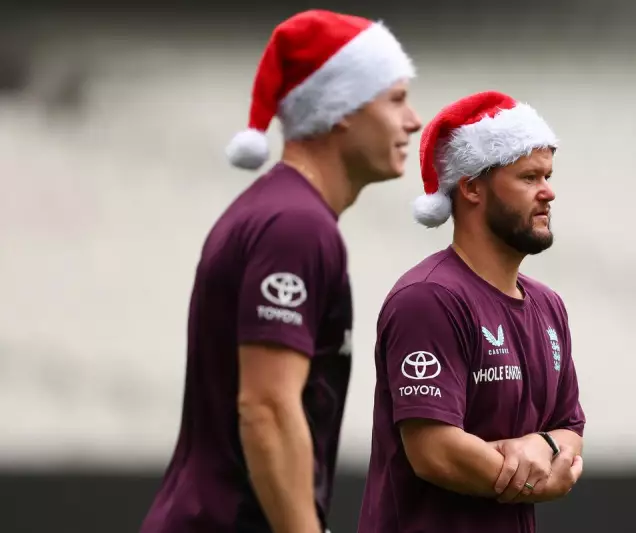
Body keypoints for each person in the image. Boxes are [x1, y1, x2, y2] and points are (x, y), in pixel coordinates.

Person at [140, 10, 421, 533]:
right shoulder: (296, 226)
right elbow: (267, 407)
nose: (414, 121)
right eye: (397, 99)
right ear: (341, 109)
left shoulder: (283, 213)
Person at [357, 91, 586, 533]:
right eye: (528, 177)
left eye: (548, 176)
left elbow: (570, 430)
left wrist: (541, 445)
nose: (548, 192)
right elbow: (435, 452)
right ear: (471, 187)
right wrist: (541, 474)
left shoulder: (549, 306)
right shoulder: (429, 299)